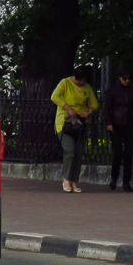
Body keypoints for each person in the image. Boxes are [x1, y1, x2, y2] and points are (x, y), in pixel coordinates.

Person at [51, 65, 99, 193]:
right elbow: (54, 97)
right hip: (65, 123)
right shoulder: (65, 83)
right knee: (69, 150)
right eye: (79, 80)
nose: (81, 83)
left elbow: (94, 104)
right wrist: (68, 108)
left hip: (80, 124)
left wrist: (88, 111)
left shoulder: (87, 88)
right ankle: (66, 178)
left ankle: (74, 180)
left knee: (78, 152)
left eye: (83, 80)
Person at [104, 64, 133, 191]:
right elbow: (107, 108)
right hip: (116, 124)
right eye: (125, 78)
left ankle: (126, 181)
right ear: (119, 78)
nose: (127, 81)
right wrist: (109, 123)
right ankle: (113, 178)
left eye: (129, 78)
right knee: (117, 153)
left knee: (128, 153)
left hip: (130, 124)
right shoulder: (113, 90)